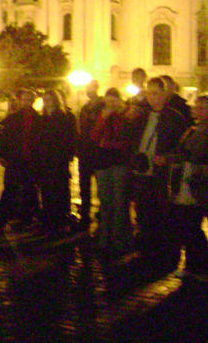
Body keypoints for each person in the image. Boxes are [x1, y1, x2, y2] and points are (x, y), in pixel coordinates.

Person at [128, 77, 188, 261]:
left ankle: (163, 252)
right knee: (143, 211)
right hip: (141, 171)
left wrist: (167, 158)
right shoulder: (141, 115)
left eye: (155, 93)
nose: (151, 98)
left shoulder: (175, 118)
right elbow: (130, 139)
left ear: (164, 94)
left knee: (162, 213)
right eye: (148, 93)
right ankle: (145, 248)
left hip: (162, 174)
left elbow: (182, 149)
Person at [90, 88, 134, 258]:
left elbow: (126, 137)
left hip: (120, 161)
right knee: (105, 201)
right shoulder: (101, 115)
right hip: (103, 162)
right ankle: (104, 237)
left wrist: (121, 116)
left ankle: (118, 239)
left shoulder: (126, 115)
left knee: (120, 201)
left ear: (119, 100)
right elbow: (94, 136)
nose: (111, 105)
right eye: (108, 102)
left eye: (114, 101)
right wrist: (103, 119)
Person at [171, 93, 208, 281]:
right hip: (187, 179)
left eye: (203, 108)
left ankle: (199, 266)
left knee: (192, 225)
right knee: (188, 225)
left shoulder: (203, 130)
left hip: (198, 183)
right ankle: (193, 265)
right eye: (197, 107)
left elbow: (194, 153)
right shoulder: (193, 128)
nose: (198, 110)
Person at [0, 89, 41, 228]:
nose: (26, 102)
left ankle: (26, 217)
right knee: (10, 188)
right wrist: (1, 155)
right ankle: (2, 217)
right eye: (24, 100)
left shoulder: (38, 118)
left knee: (29, 189)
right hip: (15, 158)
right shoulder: (14, 117)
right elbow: (5, 137)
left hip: (30, 159)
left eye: (29, 100)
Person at [36, 89, 77, 232]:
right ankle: (48, 217)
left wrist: (67, 154)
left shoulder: (65, 117)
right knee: (46, 189)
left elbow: (70, 138)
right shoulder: (42, 118)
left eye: (50, 99)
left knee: (59, 189)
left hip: (58, 160)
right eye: (45, 99)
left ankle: (59, 218)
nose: (47, 102)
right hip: (44, 160)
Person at [76, 80, 104, 231]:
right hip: (85, 151)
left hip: (98, 151)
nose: (88, 90)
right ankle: (85, 214)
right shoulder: (85, 108)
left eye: (91, 88)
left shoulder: (102, 106)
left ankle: (102, 214)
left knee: (101, 186)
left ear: (97, 89)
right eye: (87, 88)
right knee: (84, 185)